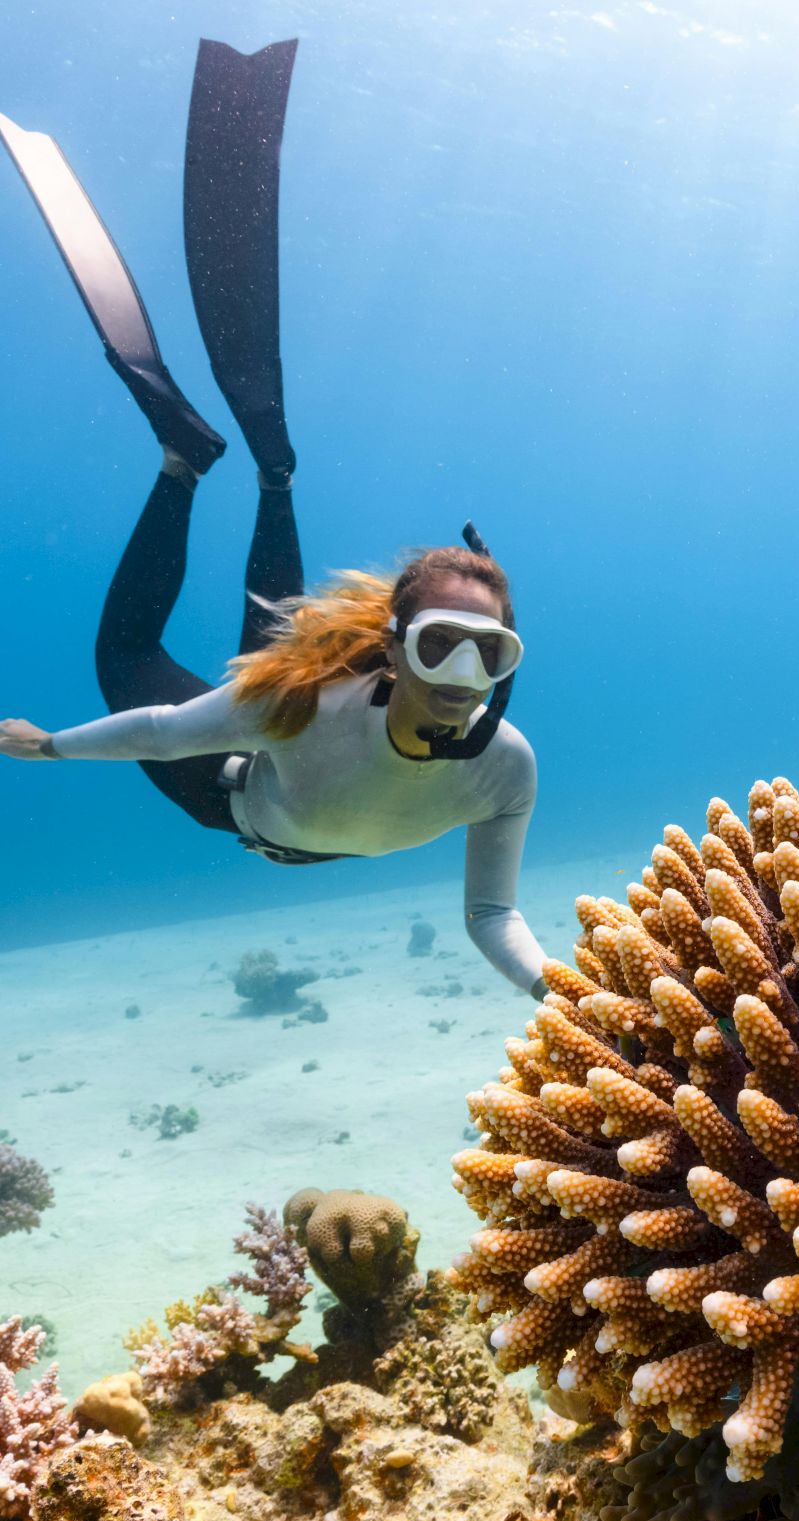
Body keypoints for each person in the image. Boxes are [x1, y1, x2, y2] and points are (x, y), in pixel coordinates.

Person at [0, 38, 549, 1000]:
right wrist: (52, 748)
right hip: (237, 786)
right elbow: (170, 729)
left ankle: (243, 468)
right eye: (443, 646)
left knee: (281, 647)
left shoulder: (506, 765)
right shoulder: (304, 702)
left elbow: (491, 916)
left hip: (286, 788)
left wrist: (567, 994)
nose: (466, 680)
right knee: (132, 652)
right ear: (395, 643)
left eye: (490, 655)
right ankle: (206, 466)